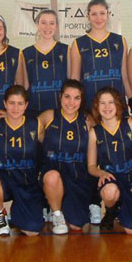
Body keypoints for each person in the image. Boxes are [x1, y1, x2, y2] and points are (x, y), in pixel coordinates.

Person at [70, 0, 132, 224]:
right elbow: (75, 81)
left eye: (102, 13)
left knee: (120, 155)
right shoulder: (79, 44)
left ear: (108, 14)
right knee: (92, 160)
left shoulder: (120, 41)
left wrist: (131, 105)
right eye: (94, 14)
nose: (98, 18)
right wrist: (82, 113)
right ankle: (93, 203)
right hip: (91, 113)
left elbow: (125, 78)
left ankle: (123, 200)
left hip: (116, 111)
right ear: (88, 16)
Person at [0, 85, 45, 236]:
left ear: (26, 105)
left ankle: (18, 214)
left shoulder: (35, 125)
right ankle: (0, 215)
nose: (15, 108)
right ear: (4, 104)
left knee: (32, 231)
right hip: (3, 182)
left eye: (20, 103)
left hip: (26, 183)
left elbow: (46, 153)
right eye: (11, 103)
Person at [87, 87, 132, 234]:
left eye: (110, 102)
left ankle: (130, 207)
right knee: (110, 192)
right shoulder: (94, 132)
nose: (107, 107)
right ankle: (111, 211)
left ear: (118, 104)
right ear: (96, 106)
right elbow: (91, 166)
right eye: (102, 103)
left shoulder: (130, 124)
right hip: (112, 180)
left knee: (131, 230)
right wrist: (101, 173)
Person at [38, 79, 92, 234]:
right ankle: (56, 214)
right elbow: (28, 130)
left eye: (77, 98)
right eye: (67, 97)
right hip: (54, 173)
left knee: (77, 226)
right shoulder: (48, 116)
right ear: (60, 97)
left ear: (81, 100)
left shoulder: (87, 121)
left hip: (77, 177)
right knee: (52, 177)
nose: (71, 102)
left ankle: (60, 205)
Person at [22, 9, 69, 117]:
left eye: (51, 23)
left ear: (56, 26)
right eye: (43, 23)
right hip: (34, 110)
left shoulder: (66, 50)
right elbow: (24, 85)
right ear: (37, 24)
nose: (47, 27)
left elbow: (71, 81)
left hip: (60, 109)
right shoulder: (25, 53)